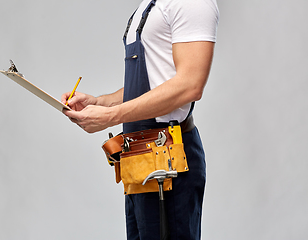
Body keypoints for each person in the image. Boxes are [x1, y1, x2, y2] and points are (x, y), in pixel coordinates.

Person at [61, 0, 219, 239]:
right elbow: (156, 83)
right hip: (140, 161)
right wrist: (100, 103)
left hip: (169, 162)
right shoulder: (150, 4)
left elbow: (190, 85)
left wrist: (111, 117)